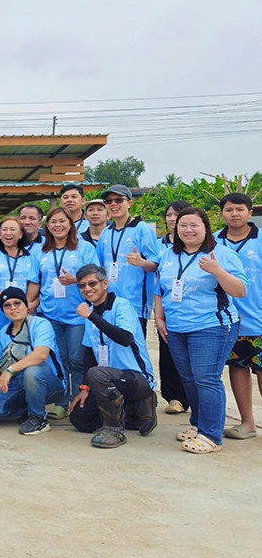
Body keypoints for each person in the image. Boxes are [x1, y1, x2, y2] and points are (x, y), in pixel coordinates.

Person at [154, 207, 247, 454]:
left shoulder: (221, 254)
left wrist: (217, 271)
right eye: (183, 225)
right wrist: (159, 317)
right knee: (188, 379)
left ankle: (211, 435)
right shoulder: (168, 255)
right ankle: (197, 425)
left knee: (206, 379)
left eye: (194, 224)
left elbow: (239, 290)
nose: (188, 229)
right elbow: (160, 290)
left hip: (212, 326)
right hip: (175, 328)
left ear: (206, 228)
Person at [68, 265, 158, 448]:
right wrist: (85, 388)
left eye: (92, 283)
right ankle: (133, 410)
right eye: (82, 285)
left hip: (136, 378)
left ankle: (115, 429)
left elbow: (125, 338)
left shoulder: (121, 306)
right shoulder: (91, 312)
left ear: (105, 283)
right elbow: (89, 353)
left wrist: (92, 316)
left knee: (97, 374)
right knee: (80, 419)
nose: (87, 289)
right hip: (107, 381)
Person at [31, 207, 99, 416]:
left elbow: (96, 278)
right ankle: (61, 402)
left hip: (78, 315)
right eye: (53, 222)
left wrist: (76, 279)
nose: (58, 225)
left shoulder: (84, 248)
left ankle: (76, 400)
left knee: (77, 360)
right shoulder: (39, 250)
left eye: (62, 221)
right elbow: (35, 281)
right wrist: (28, 305)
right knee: (58, 360)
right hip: (50, 315)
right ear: (47, 226)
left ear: (70, 224)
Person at [0, 288, 66, 435]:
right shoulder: (3, 332)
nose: (13, 308)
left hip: (51, 383)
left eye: (17, 303)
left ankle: (38, 418)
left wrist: (10, 370)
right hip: (20, 383)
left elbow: (41, 354)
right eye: (7, 305)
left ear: (26, 305)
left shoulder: (40, 324)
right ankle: (30, 408)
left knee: (31, 370)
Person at [216, 193, 262, 440]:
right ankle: (247, 423)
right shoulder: (212, 242)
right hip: (227, 321)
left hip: (259, 319)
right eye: (229, 209)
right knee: (237, 369)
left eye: (240, 209)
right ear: (221, 213)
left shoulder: (261, 240)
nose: (234, 214)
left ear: (249, 212)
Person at [97, 185, 159, 330]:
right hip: (108, 303)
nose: (113, 204)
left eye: (119, 200)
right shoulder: (106, 233)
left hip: (134, 304)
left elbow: (155, 264)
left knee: (133, 350)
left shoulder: (142, 229)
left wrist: (142, 262)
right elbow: (99, 268)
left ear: (129, 203)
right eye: (109, 201)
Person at [157, 201, 192, 416]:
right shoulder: (159, 244)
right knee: (168, 356)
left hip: (194, 312)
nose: (172, 219)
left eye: (177, 215)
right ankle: (175, 398)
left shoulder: (203, 246)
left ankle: (192, 398)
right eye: (169, 215)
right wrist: (158, 313)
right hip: (168, 309)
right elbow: (156, 281)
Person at [0, 216, 41, 332]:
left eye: (12, 229)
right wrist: (7, 302)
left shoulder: (31, 257)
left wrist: (22, 305)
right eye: (4, 229)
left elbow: (34, 282)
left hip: (24, 310)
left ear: (21, 234)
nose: (8, 233)